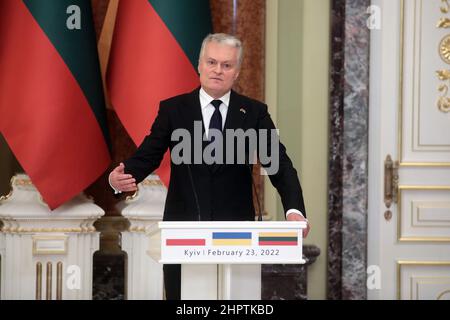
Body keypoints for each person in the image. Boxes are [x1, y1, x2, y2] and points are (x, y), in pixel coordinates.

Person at [109, 33, 310, 300]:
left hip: (238, 236)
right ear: (199, 65)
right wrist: (119, 179)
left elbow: (279, 165)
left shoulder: (254, 113)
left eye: (227, 65)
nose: (218, 70)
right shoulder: (174, 109)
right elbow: (148, 155)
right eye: (212, 62)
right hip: (184, 232)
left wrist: (294, 210)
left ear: (237, 71)